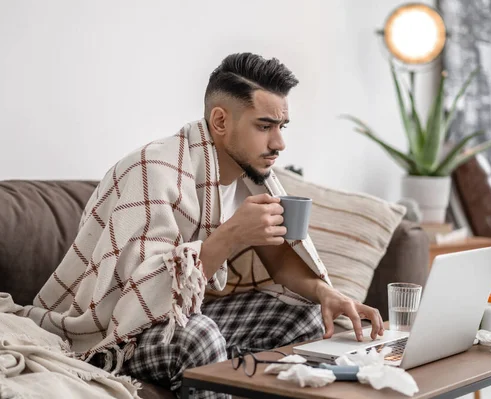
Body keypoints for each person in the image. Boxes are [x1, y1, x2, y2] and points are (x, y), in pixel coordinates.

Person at [26, 52, 384, 398]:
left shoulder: (251, 179)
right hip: (113, 334)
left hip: (184, 314)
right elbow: (136, 298)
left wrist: (328, 294)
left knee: (302, 318)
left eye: (281, 126)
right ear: (220, 121)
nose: (279, 143)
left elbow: (280, 260)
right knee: (199, 336)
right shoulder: (154, 171)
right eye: (264, 126)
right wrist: (231, 236)